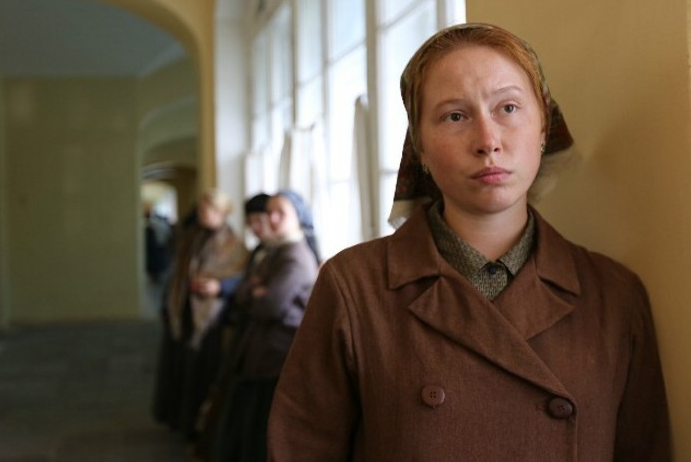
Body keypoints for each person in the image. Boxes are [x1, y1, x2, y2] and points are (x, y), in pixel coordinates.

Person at [267, 23, 671, 461]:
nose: (487, 141)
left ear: (543, 126)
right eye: (455, 116)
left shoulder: (613, 296)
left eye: (508, 108)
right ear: (419, 147)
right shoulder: (353, 287)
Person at [207, 190, 320, 462]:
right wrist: (252, 290)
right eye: (270, 212)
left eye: (281, 212)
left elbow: (269, 306)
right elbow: (245, 291)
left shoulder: (294, 256)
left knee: (262, 428)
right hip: (262, 349)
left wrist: (254, 292)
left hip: (276, 354)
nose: (273, 218)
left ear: (298, 216)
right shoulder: (276, 250)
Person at [152, 188, 249, 440]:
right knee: (179, 368)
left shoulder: (233, 244)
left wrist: (220, 286)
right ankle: (179, 420)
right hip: (183, 309)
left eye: (210, 209)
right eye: (203, 208)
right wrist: (167, 304)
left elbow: (241, 277)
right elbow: (177, 273)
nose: (204, 213)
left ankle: (198, 427)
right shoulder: (192, 236)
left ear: (221, 211)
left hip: (209, 316)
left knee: (201, 372)